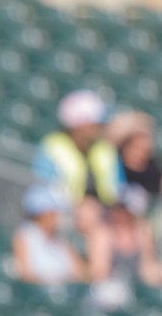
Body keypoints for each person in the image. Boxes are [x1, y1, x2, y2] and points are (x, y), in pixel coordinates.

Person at [33, 89, 120, 280]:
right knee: (100, 231)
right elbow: (39, 190)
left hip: (102, 214)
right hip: (63, 212)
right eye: (95, 123)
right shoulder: (53, 146)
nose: (100, 127)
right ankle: (96, 279)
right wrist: (75, 205)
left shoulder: (104, 149)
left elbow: (117, 188)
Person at [12, 184, 86, 286]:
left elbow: (82, 274)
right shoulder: (25, 236)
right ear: (41, 214)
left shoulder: (62, 241)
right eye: (53, 212)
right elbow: (25, 274)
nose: (58, 215)